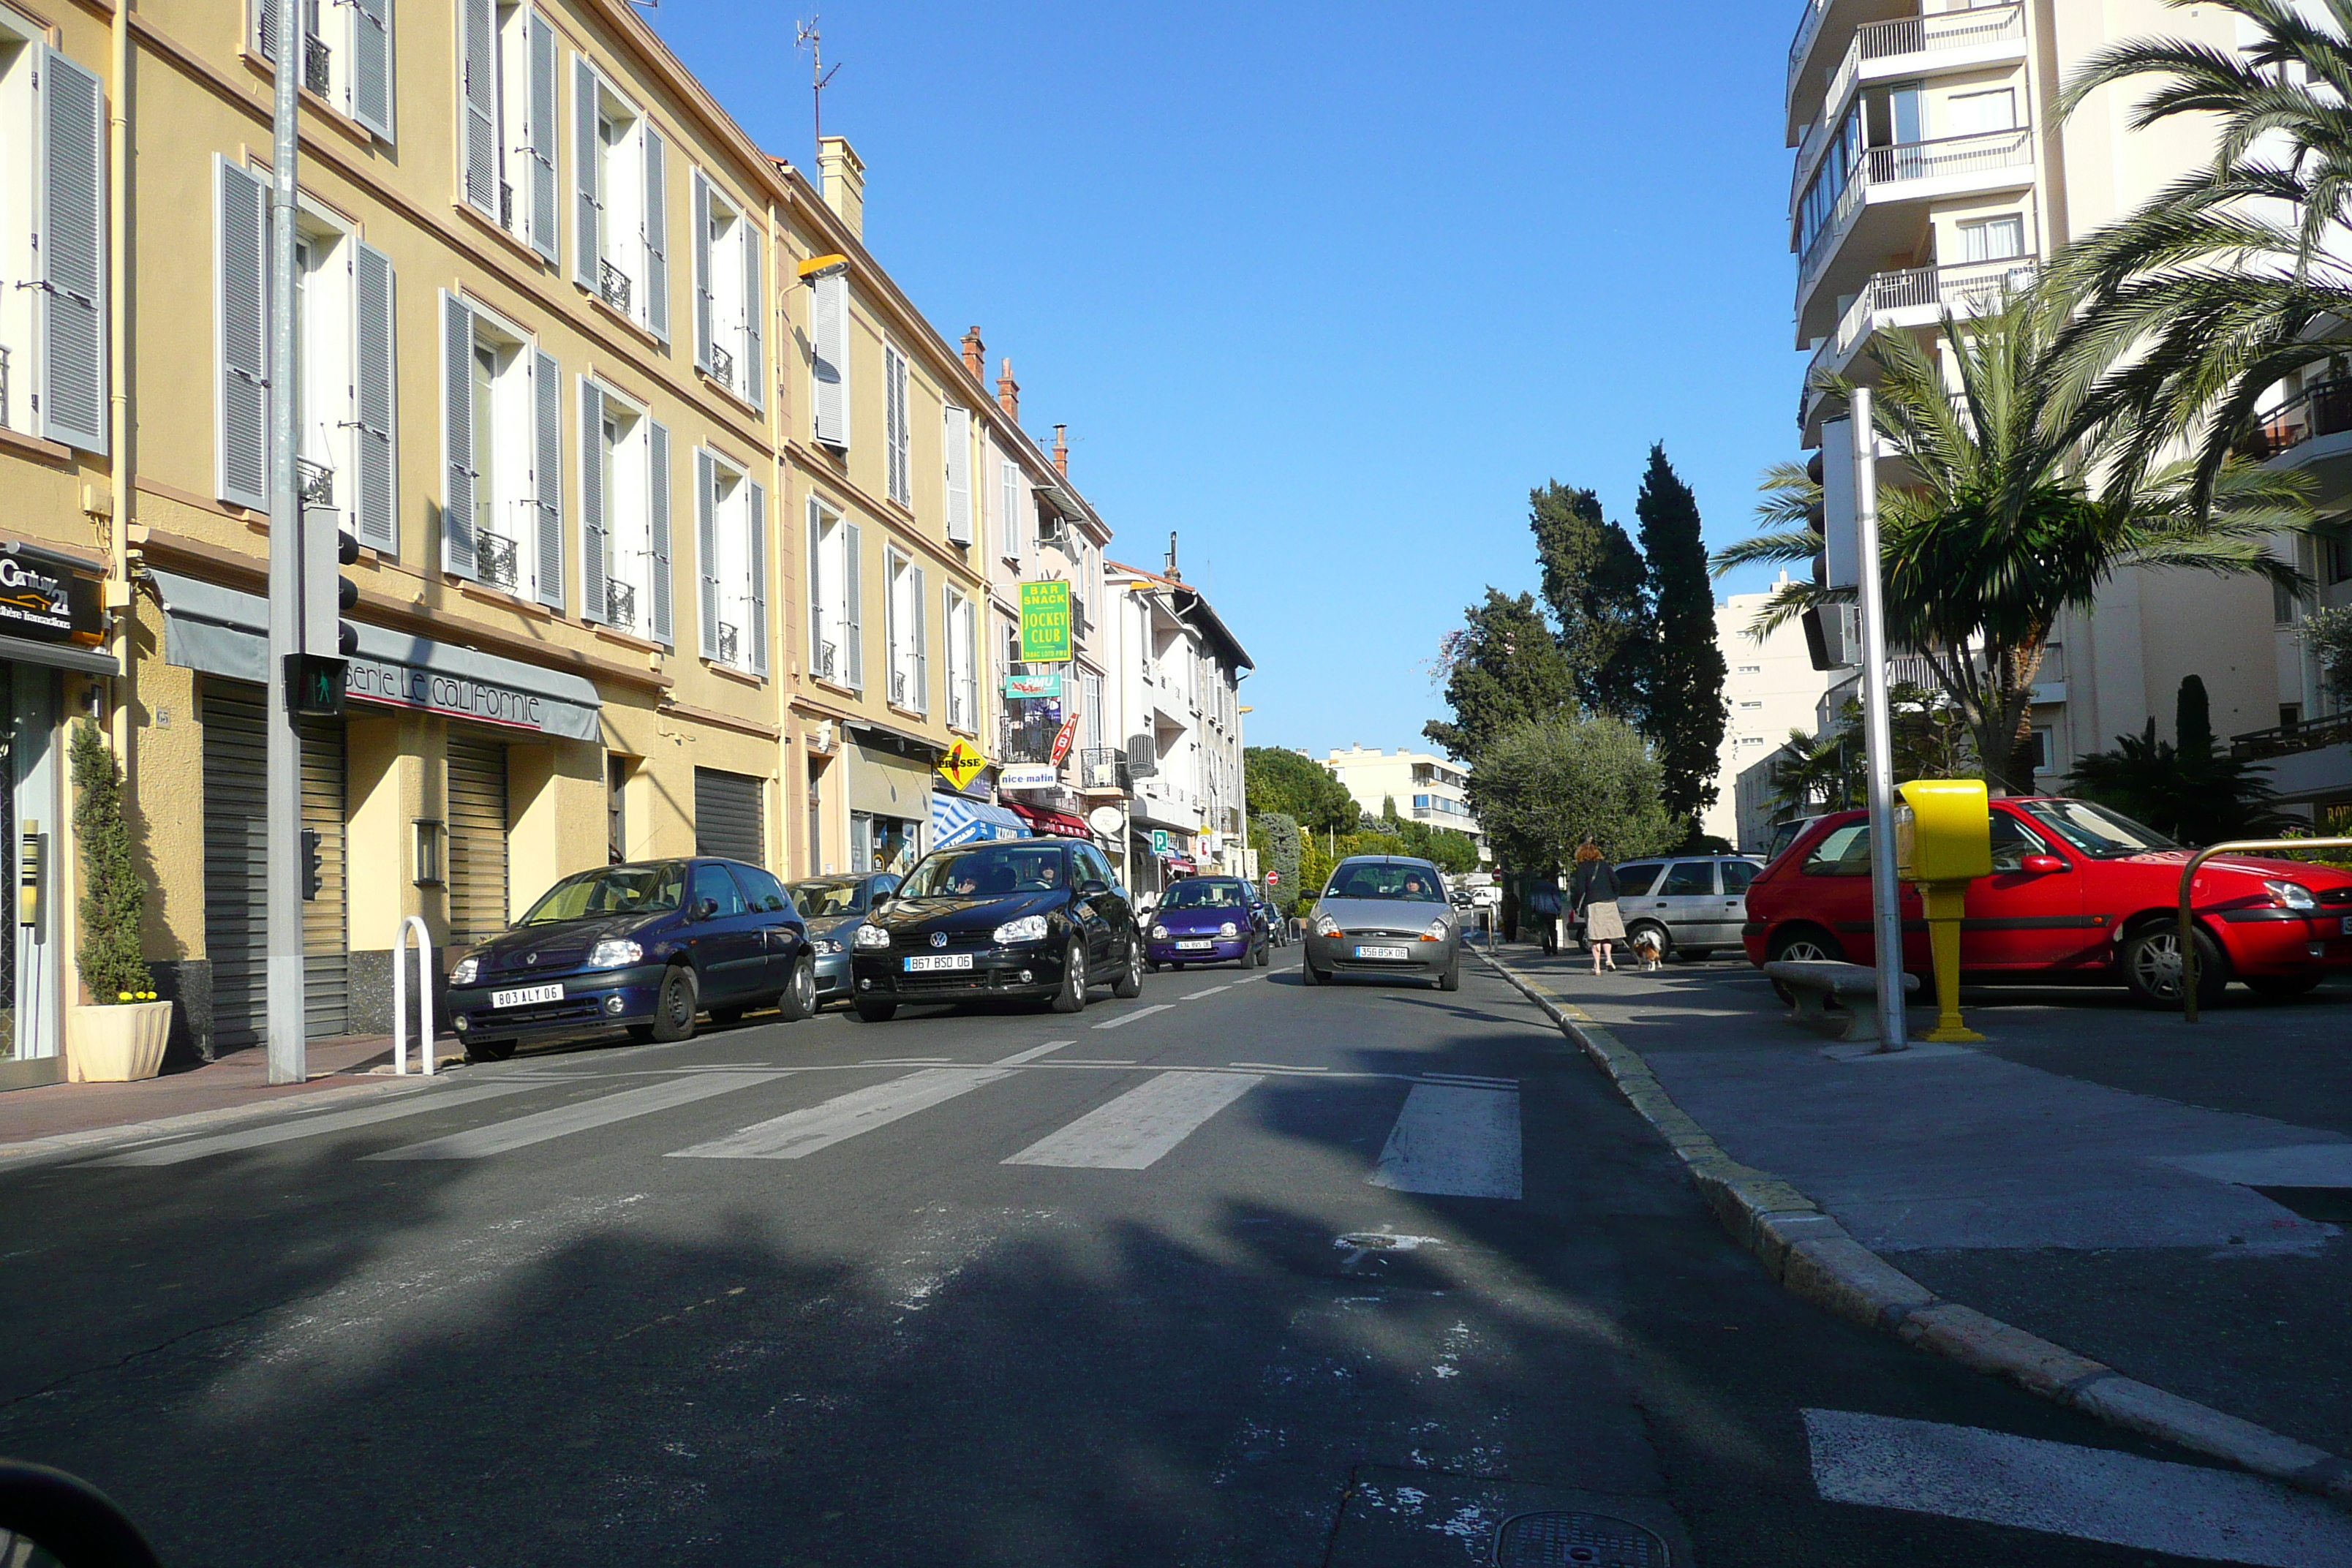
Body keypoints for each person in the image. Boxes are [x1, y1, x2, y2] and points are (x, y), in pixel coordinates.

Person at [1569, 842, 1624, 976]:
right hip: (1609, 903)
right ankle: (1609, 959)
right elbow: (1616, 882)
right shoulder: (1604, 865)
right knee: (1607, 935)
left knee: (1595, 937)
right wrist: (1614, 895)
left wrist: (1576, 905)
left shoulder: (1582, 868)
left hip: (1594, 904)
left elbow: (1580, 889)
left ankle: (1597, 968)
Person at [1526, 875, 1564, 956]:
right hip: (1551, 911)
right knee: (1553, 930)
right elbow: (1556, 899)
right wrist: (1559, 909)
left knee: (1544, 931)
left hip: (1540, 912)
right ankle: (1554, 949)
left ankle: (1547, 950)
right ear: (1549, 878)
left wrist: (1533, 910)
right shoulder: (1552, 887)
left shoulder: (1535, 887)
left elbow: (1532, 900)